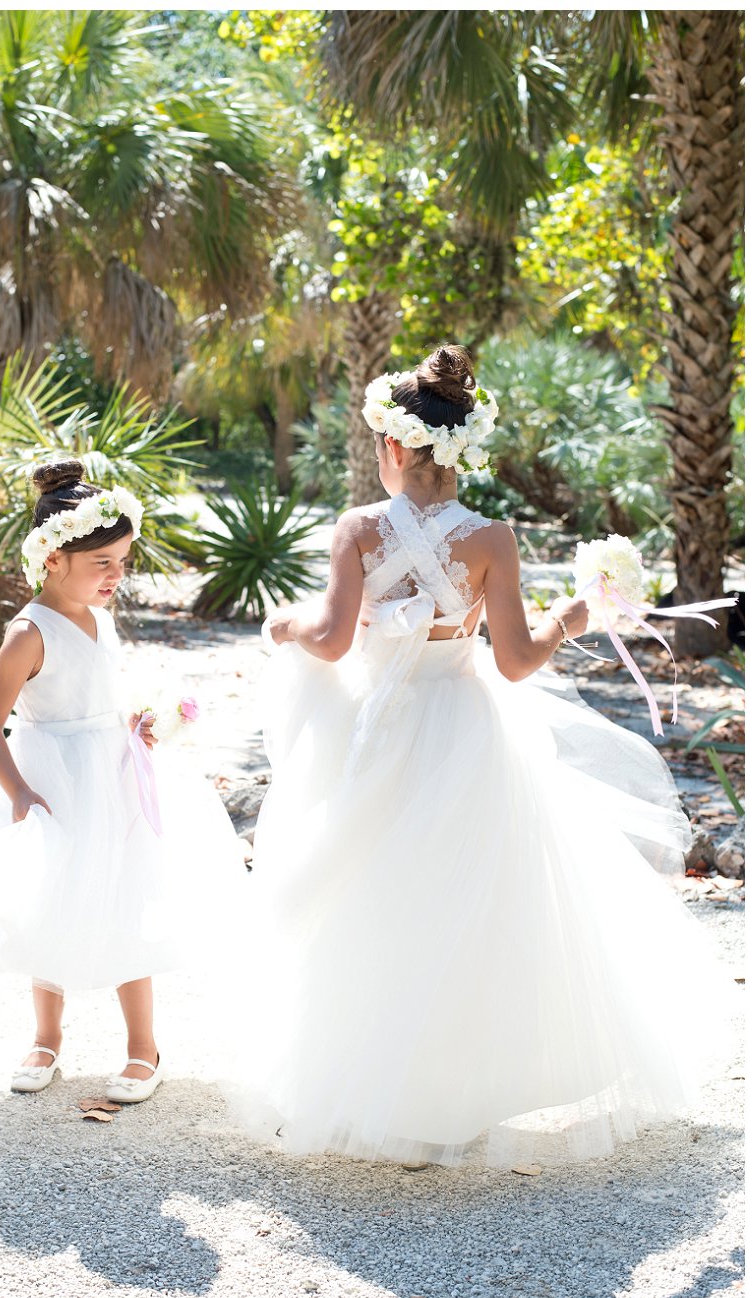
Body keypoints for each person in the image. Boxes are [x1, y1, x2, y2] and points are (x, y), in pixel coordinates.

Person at [244, 344, 733, 1166]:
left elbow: (330, 641)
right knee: (460, 906)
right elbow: (512, 660)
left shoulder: (358, 529)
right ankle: (445, 1102)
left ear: (392, 449)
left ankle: (371, 1092)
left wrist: (285, 626)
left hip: (376, 726)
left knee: (369, 895)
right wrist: (570, 619)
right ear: (460, 451)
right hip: (463, 727)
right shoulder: (491, 539)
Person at [0, 459, 245, 1104]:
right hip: (54, 778)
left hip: (113, 774)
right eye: (102, 562)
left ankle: (142, 1047)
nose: (116, 575)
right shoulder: (28, 633)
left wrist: (140, 724)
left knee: (128, 896)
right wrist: (17, 791)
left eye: (122, 560)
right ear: (52, 561)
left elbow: (106, 691)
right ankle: (45, 1038)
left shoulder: (100, 616)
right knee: (52, 899)